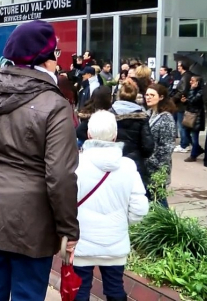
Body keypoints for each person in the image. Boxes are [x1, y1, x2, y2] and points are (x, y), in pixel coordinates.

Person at [0, 20, 79, 300]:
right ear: (46, 58)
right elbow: (60, 176)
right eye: (56, 54)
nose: (58, 60)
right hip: (31, 217)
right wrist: (68, 229)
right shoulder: (55, 105)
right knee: (27, 291)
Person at [74, 110, 149, 301]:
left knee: (79, 290)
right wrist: (121, 223)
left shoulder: (75, 164)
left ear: (89, 135)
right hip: (115, 243)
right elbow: (140, 208)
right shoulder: (128, 166)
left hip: (81, 243)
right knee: (115, 289)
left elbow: (64, 204)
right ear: (115, 136)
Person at [107, 83, 155, 189]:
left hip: (112, 161)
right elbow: (148, 145)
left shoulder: (108, 115)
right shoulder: (142, 117)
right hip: (135, 162)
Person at [144, 84, 177, 207]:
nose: (148, 97)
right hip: (147, 168)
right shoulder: (149, 113)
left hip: (157, 169)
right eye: (147, 94)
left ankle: (167, 225)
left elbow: (167, 147)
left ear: (161, 97)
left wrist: (152, 160)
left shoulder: (165, 118)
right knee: (151, 201)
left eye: (152, 95)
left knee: (159, 201)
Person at [183, 75, 206, 163]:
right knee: (186, 134)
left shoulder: (201, 91)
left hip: (197, 117)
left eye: (192, 81)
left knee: (194, 136)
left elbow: (193, 100)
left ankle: (193, 155)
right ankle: (198, 149)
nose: (190, 82)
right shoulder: (192, 90)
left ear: (198, 83)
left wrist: (192, 90)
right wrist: (185, 101)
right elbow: (190, 101)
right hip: (190, 114)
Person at [171, 61, 192, 153]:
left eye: (179, 66)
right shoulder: (186, 76)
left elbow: (182, 91)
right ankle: (185, 143)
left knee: (182, 125)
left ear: (183, 66)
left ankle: (184, 144)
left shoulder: (185, 77)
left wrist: (173, 99)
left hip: (181, 104)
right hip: (181, 103)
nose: (178, 67)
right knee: (182, 125)